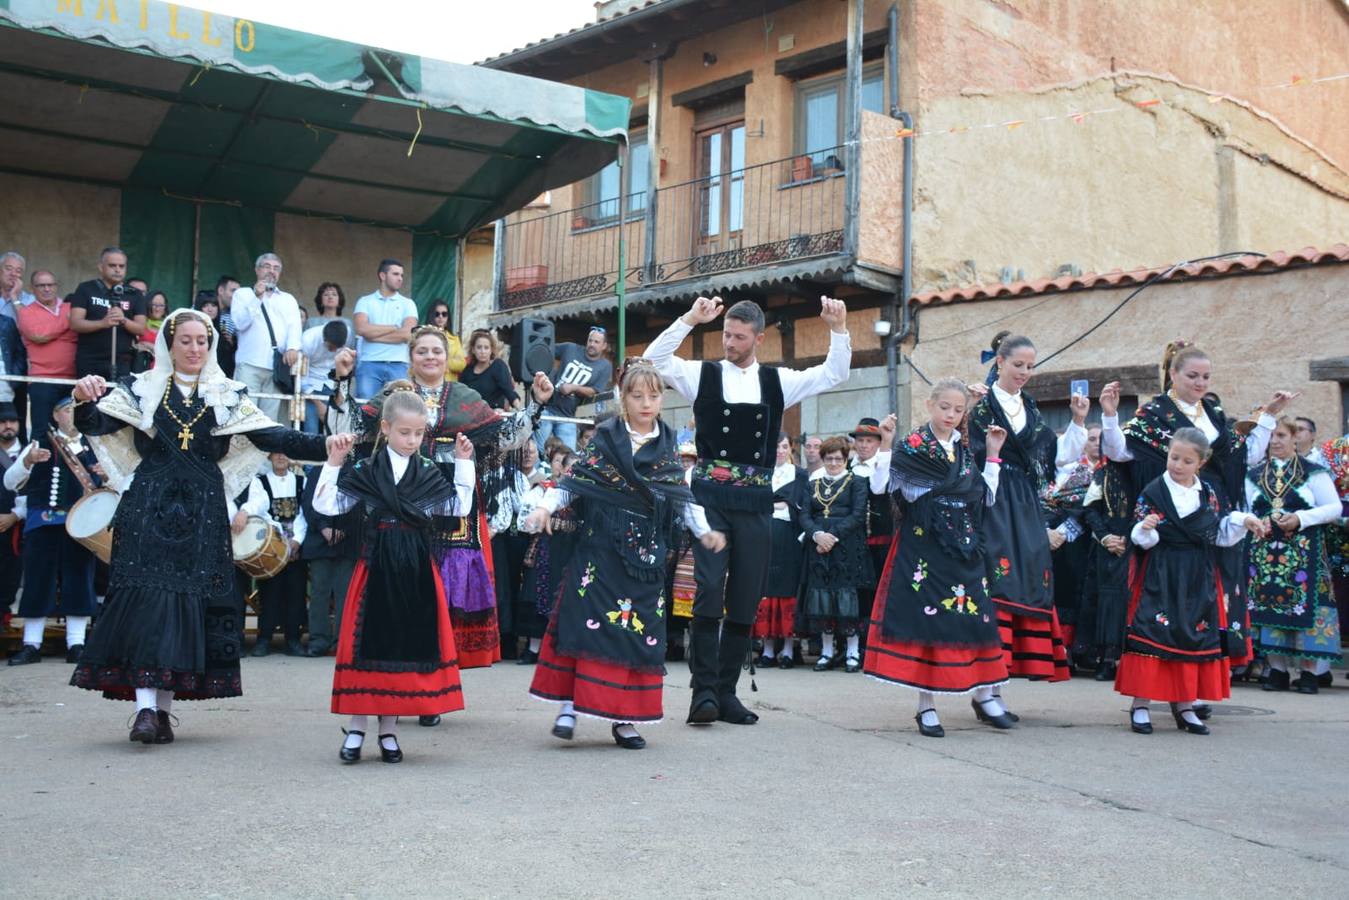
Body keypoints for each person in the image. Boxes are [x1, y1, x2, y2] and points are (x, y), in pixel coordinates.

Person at [67, 308, 336, 745]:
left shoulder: (228, 396)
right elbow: (96, 422)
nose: (194, 348)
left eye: (202, 341)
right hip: (149, 508)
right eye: (186, 340)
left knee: (186, 608)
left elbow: (277, 437)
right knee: (148, 606)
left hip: (203, 512)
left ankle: (162, 713)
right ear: (169, 345)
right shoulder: (141, 388)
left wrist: (328, 444)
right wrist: (82, 399)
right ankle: (145, 712)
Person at [325, 326, 552, 717]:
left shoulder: (465, 398)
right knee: (404, 596)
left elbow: (506, 437)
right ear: (411, 357)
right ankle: (401, 682)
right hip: (399, 508)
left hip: (451, 506)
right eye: (423, 352)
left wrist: (536, 404)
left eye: (437, 352)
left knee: (442, 597)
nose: (430, 357)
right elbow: (350, 430)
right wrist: (343, 380)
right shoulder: (393, 397)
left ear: (448, 360)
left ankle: (431, 687)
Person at [645, 294, 850, 726]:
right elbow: (654, 359)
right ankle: (701, 694)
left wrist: (838, 329)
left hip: (755, 501)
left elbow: (835, 373)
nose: (729, 343)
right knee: (708, 587)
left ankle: (726, 693)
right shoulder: (701, 373)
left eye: (739, 336)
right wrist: (689, 319)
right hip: (709, 499)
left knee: (744, 598)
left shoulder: (779, 382)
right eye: (725, 334)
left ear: (758, 338)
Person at [524, 359, 722, 749]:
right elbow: (575, 482)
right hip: (599, 551)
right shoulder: (605, 439)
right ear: (622, 398)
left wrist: (704, 531)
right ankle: (568, 706)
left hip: (645, 559)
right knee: (581, 625)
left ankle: (625, 718)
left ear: (662, 399)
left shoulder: (667, 447)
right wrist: (546, 506)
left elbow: (682, 498)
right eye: (637, 395)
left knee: (636, 634)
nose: (646, 402)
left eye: (654, 394)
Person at [1099, 342, 1296, 673]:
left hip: (1213, 510)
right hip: (1171, 511)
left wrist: (1269, 415)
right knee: (1171, 592)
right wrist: (1108, 415)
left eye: (1206, 376)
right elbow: (1122, 453)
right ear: (1173, 374)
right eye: (1192, 375)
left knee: (1212, 590)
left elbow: (1243, 457)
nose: (1200, 383)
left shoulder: (1215, 414)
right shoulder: (1154, 412)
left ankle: (1201, 680)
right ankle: (1159, 677)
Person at [311, 393, 473, 764]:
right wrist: (333, 463)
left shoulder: (429, 472)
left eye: (419, 433)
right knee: (364, 648)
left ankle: (389, 731)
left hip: (415, 569)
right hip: (375, 567)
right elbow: (327, 506)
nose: (412, 440)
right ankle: (356, 728)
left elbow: (459, 507)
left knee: (403, 647)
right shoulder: (366, 471)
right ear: (385, 429)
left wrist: (464, 463)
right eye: (404, 432)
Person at [862, 381, 1013, 736]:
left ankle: (986, 693)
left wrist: (992, 453)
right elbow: (879, 488)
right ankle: (926, 707)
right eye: (944, 407)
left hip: (963, 545)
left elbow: (984, 497)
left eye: (958, 410)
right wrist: (885, 444)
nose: (950, 415)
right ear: (930, 405)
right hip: (924, 545)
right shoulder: (912, 446)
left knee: (976, 618)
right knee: (927, 626)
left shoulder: (963, 450)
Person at [966, 333, 1088, 713]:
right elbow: (965, 452)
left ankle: (996, 687)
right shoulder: (982, 406)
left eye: (1031, 366)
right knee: (995, 583)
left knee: (1026, 582)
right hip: (992, 496)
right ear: (999, 362)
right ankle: (985, 690)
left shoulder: (1031, 409)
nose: (1024, 373)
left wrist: (1079, 421)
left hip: (1026, 504)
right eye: (1018, 365)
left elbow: (1055, 457)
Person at [1116, 428, 1266, 735]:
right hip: (1162, 571)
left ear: (1201, 462)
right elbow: (1142, 540)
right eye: (1174, 457)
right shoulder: (1154, 491)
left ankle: (1185, 705)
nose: (1177, 465)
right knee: (1152, 632)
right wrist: (1145, 528)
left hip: (1198, 573)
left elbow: (1218, 533)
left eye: (1186, 460)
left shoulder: (1207, 492)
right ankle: (1141, 704)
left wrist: (1243, 520)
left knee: (1192, 635)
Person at [1246, 417, 1342, 693]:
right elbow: (1246, 506)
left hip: (1305, 553)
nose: (1275, 441)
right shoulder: (1254, 474)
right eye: (1271, 436)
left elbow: (1333, 507)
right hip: (1265, 553)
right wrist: (1256, 521)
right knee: (1268, 609)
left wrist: (1300, 518)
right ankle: (1277, 670)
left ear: (1294, 438)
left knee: (1308, 611)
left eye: (1281, 435)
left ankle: (1310, 673)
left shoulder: (1314, 472)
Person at [4, 398, 100, 666]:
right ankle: (31, 645)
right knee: (37, 581)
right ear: (56, 416)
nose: (71, 415)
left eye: (75, 410)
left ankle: (76, 644)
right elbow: (10, 482)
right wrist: (27, 463)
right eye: (67, 411)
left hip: (81, 525)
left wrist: (105, 476)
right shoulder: (37, 444)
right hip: (42, 524)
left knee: (79, 580)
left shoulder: (95, 446)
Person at [798, 435, 872, 673]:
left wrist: (831, 537)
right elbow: (804, 516)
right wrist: (817, 535)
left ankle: (852, 652)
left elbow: (858, 515)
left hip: (847, 546)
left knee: (847, 598)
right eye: (829, 459)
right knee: (821, 598)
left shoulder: (857, 482)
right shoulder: (813, 484)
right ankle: (827, 652)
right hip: (818, 546)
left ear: (846, 458)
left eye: (838, 459)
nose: (833, 463)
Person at [515, 445, 577, 665]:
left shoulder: (586, 496)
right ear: (562, 469)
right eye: (571, 468)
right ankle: (533, 650)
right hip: (547, 550)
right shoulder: (546, 488)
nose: (575, 474)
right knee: (538, 596)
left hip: (573, 552)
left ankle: (561, 651)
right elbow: (526, 520)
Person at [1044, 424, 1101, 660]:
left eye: (1102, 439)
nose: (1097, 443)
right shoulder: (1071, 470)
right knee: (1067, 589)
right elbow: (1054, 501)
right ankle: (1065, 649)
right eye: (1092, 438)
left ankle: (1089, 650)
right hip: (1068, 542)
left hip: (1096, 538)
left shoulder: (1114, 471)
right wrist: (1054, 531)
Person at [1078, 455, 1134, 681]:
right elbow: (1090, 509)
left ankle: (1128, 659)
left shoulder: (1147, 472)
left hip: (1135, 546)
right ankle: (1105, 659)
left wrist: (1129, 540)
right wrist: (1106, 537)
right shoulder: (1104, 473)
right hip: (1105, 547)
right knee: (1104, 601)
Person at [299, 455, 360, 658]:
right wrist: (324, 527)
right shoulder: (318, 470)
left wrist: (343, 530)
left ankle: (341, 641)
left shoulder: (356, 471)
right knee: (319, 593)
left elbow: (359, 506)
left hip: (348, 541)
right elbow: (309, 503)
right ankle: (318, 640)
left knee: (345, 594)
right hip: (320, 541)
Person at [247, 452, 308, 657]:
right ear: (270, 457)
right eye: (277, 454)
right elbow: (261, 513)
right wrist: (281, 540)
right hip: (272, 546)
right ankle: (264, 639)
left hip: (296, 548)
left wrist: (296, 540)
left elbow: (304, 513)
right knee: (269, 594)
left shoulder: (302, 481)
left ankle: (293, 639)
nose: (281, 457)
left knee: (296, 594)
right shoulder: (260, 482)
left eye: (285, 454)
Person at [753, 433, 806, 668]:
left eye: (784, 447)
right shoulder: (759, 474)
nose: (780, 451)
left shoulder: (800, 475)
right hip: (763, 537)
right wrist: (777, 504)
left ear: (791, 449)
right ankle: (767, 650)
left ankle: (787, 650)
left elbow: (798, 506)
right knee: (765, 590)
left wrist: (774, 505)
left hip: (789, 539)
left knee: (787, 592)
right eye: (775, 447)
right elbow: (755, 504)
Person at [231, 253, 303, 424]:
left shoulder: (288, 299)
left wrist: (293, 347)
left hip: (276, 367)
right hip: (249, 364)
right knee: (244, 417)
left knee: (268, 420)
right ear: (257, 270)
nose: (271, 271)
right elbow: (240, 323)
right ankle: (244, 451)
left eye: (276, 268)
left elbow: (295, 327)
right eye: (267, 266)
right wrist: (256, 297)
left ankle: (264, 452)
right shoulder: (242, 294)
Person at [848, 417, 894, 651]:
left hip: (879, 539)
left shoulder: (884, 465)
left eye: (869, 441)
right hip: (852, 541)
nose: (864, 445)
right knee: (855, 592)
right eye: (861, 441)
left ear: (878, 443)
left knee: (878, 590)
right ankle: (853, 645)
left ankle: (876, 644)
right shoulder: (847, 468)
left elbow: (880, 488)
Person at [69, 247, 147, 380]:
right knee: (91, 400)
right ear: (101, 267)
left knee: (119, 400)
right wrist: (102, 323)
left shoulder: (134, 294)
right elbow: (75, 323)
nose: (117, 269)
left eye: (121, 266)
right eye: (112, 265)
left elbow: (141, 329)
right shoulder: (86, 289)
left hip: (123, 361)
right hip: (91, 360)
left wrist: (123, 320)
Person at [17, 270, 78, 435]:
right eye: (41, 285)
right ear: (32, 288)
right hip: (43, 380)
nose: (46, 289)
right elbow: (38, 335)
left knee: (73, 434)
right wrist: (67, 321)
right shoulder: (25, 312)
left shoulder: (71, 307)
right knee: (43, 433)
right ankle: (43, 462)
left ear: (56, 286)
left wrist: (53, 330)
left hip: (73, 380)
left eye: (50, 285)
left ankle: (69, 463)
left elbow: (80, 334)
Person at [536, 326, 612, 452]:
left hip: (569, 416)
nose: (592, 344)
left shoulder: (605, 366)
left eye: (596, 342)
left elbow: (595, 391)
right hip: (548, 408)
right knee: (539, 450)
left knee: (569, 456)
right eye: (590, 340)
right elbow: (544, 350)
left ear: (604, 345)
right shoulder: (570, 348)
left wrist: (574, 388)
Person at [353, 259, 419, 400]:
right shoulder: (365, 301)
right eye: (395, 274)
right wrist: (394, 328)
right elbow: (361, 329)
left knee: (400, 406)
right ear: (382, 276)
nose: (400, 278)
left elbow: (408, 334)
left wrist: (372, 335)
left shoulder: (408, 303)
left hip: (399, 363)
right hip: (369, 363)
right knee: (365, 405)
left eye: (401, 275)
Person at [0, 251, 33, 438]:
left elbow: (29, 328)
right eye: (8, 268)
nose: (14, 274)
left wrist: (14, 297)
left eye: (19, 271)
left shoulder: (28, 300)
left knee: (14, 419)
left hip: (17, 368)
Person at [299, 319, 350, 433]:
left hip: (331, 383)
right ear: (324, 339)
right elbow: (302, 379)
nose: (335, 350)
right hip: (311, 384)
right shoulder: (308, 340)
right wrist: (319, 405)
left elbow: (344, 367)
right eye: (332, 346)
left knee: (334, 429)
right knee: (311, 429)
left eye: (338, 347)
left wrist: (341, 392)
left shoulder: (347, 333)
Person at [0, 404, 23, 628]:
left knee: (11, 572)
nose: (8, 425)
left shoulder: (30, 452)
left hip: (16, 526)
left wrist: (15, 516)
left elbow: (33, 490)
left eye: (12, 421)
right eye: (3, 421)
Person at [459, 329, 518, 410]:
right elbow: (459, 395)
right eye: (479, 347)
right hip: (471, 416)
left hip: (494, 415)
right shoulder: (467, 371)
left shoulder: (498, 366)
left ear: (491, 350)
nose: (482, 351)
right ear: (473, 350)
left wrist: (521, 411)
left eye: (486, 348)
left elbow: (509, 392)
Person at [422, 299, 467, 382]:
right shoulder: (422, 338)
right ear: (431, 315)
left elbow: (462, 364)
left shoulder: (454, 339)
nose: (441, 317)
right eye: (437, 314)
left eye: (444, 314)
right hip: (428, 382)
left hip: (449, 384)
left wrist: (441, 361)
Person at [213, 275, 240, 377]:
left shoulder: (235, 315)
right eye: (233, 291)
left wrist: (232, 342)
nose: (236, 296)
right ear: (220, 290)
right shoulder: (203, 304)